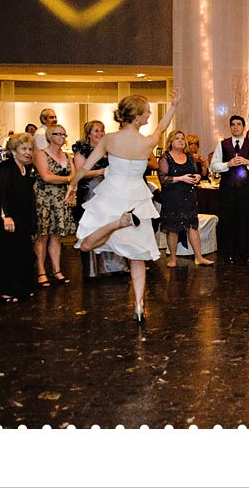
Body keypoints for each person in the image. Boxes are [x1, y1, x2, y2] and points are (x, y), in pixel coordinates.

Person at [67, 91, 182, 324]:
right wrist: (173, 106)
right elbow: (161, 127)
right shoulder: (148, 141)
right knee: (137, 257)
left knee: (86, 244)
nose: (150, 114)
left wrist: (72, 184)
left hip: (111, 194)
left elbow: (85, 166)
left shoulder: (109, 139)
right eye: (147, 111)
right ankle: (139, 305)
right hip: (136, 199)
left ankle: (116, 223)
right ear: (138, 117)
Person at [0, 133, 37, 303]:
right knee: (6, 255)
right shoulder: (4, 168)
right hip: (7, 221)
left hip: (22, 220)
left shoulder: (25, 169)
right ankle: (4, 290)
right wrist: (5, 217)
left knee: (21, 254)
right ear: (14, 150)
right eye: (24, 149)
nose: (28, 152)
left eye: (30, 149)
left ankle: (20, 289)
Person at [72, 120, 128, 278]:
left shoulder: (108, 149)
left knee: (110, 224)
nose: (100, 134)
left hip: (109, 191)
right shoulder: (82, 150)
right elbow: (80, 172)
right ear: (89, 133)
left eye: (102, 130)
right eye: (96, 131)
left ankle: (114, 265)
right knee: (93, 226)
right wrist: (102, 171)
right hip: (90, 191)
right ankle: (93, 269)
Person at [210, 114, 249, 264]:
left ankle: (244, 252)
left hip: (245, 189)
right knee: (227, 220)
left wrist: (247, 161)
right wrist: (228, 164)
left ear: (243, 127)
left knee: (244, 220)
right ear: (230, 127)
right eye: (233, 124)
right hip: (227, 189)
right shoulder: (222, 144)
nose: (235, 127)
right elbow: (213, 165)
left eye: (238, 124)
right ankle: (228, 253)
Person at [158, 130, 213, 268]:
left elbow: (195, 172)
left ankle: (199, 257)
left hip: (189, 195)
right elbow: (163, 179)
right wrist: (180, 178)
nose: (181, 141)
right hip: (172, 197)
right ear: (171, 141)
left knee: (192, 226)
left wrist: (198, 176)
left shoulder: (188, 156)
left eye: (182, 138)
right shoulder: (166, 158)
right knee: (173, 228)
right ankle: (172, 258)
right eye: (177, 138)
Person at [33, 124, 76, 288]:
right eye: (59, 134)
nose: (62, 137)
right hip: (44, 199)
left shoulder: (67, 156)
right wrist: (67, 180)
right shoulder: (41, 154)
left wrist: (70, 182)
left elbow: (74, 174)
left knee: (57, 236)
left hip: (61, 199)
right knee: (42, 235)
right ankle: (41, 271)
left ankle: (57, 270)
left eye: (64, 135)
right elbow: (46, 177)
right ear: (50, 136)